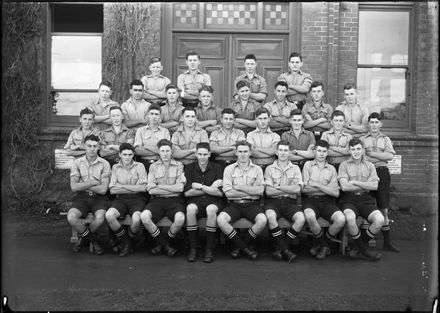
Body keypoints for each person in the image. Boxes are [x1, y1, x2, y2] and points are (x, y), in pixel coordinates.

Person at [217, 141, 267, 260]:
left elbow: (260, 191)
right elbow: (228, 193)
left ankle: (239, 247)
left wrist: (239, 188)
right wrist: (250, 190)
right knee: (221, 220)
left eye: (245, 151)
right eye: (240, 151)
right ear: (236, 152)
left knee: (262, 220)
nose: (243, 154)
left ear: (250, 153)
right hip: (234, 205)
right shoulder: (229, 169)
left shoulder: (257, 169)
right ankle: (245, 248)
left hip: (252, 204)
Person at [338, 138, 384, 261]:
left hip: (366, 199)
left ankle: (358, 248)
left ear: (363, 150)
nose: (356, 152)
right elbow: (345, 186)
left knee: (379, 220)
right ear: (349, 151)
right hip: (349, 199)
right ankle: (365, 251)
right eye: (353, 149)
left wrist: (354, 182)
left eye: (358, 149)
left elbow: (374, 186)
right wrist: (364, 184)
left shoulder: (370, 166)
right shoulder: (344, 165)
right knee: (350, 218)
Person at [360, 112, 400, 252]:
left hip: (382, 172)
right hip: (367, 173)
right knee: (367, 207)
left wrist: (372, 154)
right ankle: (366, 241)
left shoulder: (386, 139)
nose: (374, 125)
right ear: (368, 124)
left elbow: (389, 156)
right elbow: (362, 159)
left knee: (383, 208)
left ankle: (387, 242)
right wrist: (379, 157)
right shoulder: (362, 139)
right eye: (372, 122)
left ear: (380, 124)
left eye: (377, 122)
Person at [140, 139, 186, 257]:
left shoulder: (179, 165)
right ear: (158, 152)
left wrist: (159, 186)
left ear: (172, 152)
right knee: (144, 216)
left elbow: (180, 189)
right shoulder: (153, 167)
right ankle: (166, 245)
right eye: (162, 151)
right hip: (157, 200)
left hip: (175, 200)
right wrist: (171, 187)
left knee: (180, 219)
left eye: (167, 151)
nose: (165, 153)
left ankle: (161, 244)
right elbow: (151, 190)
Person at [66, 134, 111, 255]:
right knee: (71, 217)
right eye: (89, 146)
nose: (92, 148)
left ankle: (82, 239)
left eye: (95, 146)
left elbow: (103, 190)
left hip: (99, 199)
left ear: (98, 147)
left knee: (100, 218)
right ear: (85, 146)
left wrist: (84, 183)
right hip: (82, 198)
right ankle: (94, 241)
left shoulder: (105, 164)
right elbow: (74, 187)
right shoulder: (77, 163)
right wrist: (92, 182)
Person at [302, 140, 345, 260]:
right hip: (310, 201)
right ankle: (325, 246)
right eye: (319, 151)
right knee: (310, 216)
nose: (321, 154)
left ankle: (321, 244)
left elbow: (335, 193)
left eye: (324, 151)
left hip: (327, 201)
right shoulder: (308, 165)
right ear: (314, 151)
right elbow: (304, 189)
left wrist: (316, 185)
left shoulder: (332, 169)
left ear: (327, 153)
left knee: (341, 219)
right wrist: (326, 188)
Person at [105, 143, 148, 257]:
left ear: (133, 154)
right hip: (121, 200)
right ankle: (127, 242)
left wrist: (122, 186)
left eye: (130, 154)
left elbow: (143, 188)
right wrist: (134, 188)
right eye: (124, 154)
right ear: (120, 155)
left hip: (138, 199)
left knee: (136, 220)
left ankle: (129, 237)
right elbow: (113, 190)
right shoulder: (115, 167)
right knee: (109, 215)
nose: (127, 157)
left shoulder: (140, 166)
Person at [263, 140, 303, 263]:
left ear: (289, 152)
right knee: (270, 217)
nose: (283, 153)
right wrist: (287, 189)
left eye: (286, 150)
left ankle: (281, 248)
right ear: (276, 152)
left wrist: (278, 187)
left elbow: (297, 190)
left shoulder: (295, 168)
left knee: (301, 219)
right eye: (280, 150)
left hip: (290, 202)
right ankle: (286, 250)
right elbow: (269, 192)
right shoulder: (269, 168)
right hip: (272, 202)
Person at [184, 142, 224, 263]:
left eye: (205, 154)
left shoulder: (217, 167)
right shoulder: (189, 168)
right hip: (195, 201)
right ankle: (193, 248)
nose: (202, 157)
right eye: (200, 154)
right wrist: (210, 188)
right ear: (196, 154)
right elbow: (187, 193)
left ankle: (209, 249)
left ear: (209, 154)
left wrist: (201, 187)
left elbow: (219, 193)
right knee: (190, 209)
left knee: (211, 210)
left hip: (214, 201)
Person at [134, 104, 171, 173]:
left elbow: (166, 152)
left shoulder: (165, 131)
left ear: (160, 116)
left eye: (156, 114)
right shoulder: (140, 131)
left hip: (160, 164)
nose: (154, 116)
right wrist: (157, 151)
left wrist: (146, 147)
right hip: (142, 164)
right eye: (152, 114)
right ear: (148, 115)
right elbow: (137, 151)